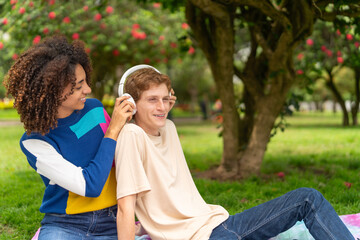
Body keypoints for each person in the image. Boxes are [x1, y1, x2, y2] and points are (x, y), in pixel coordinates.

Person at [114, 66, 354, 240]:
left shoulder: (168, 128)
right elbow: (126, 206)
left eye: (165, 100)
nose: (162, 107)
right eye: (152, 100)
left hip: (222, 222)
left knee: (308, 197)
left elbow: (164, 194)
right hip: (201, 238)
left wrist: (160, 103)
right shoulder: (132, 136)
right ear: (131, 104)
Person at [4, 35, 135, 239]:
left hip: (113, 218)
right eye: (78, 86)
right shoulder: (34, 142)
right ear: (53, 92)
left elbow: (123, 155)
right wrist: (113, 131)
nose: (88, 89)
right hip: (65, 224)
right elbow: (90, 185)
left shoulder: (95, 109)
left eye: (85, 81)